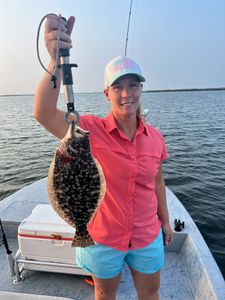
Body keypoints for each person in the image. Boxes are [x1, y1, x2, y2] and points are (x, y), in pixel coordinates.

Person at [33, 15, 173, 300]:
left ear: (141, 89)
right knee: (104, 294)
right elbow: (44, 113)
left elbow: (157, 183)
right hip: (102, 238)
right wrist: (56, 61)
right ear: (106, 92)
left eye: (133, 85)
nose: (126, 94)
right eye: (118, 87)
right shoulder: (88, 132)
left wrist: (166, 221)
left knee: (151, 291)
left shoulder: (156, 138)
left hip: (147, 235)